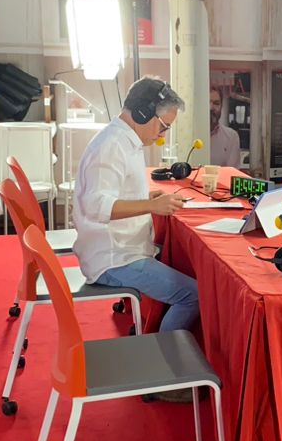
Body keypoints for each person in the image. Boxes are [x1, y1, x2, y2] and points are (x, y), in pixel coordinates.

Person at [74, 78, 200, 344]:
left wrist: (145, 198)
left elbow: (115, 193)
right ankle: (167, 369)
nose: (163, 134)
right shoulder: (112, 146)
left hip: (121, 250)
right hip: (114, 259)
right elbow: (95, 207)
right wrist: (150, 205)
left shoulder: (124, 139)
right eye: (164, 126)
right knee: (193, 295)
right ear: (143, 112)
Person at [207, 86, 240, 166]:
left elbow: (232, 174)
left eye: (216, 103)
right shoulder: (188, 135)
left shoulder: (231, 137)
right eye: (207, 102)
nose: (211, 108)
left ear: (221, 107)